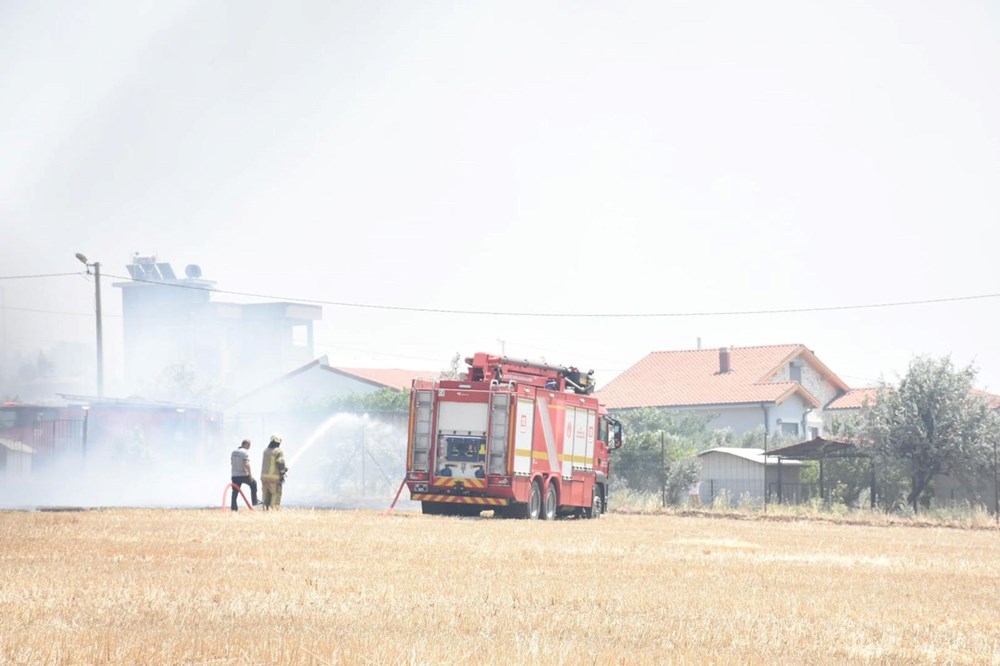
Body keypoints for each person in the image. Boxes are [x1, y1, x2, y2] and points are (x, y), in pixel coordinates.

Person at [230, 439, 260, 511]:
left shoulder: (233, 452)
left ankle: (234, 509)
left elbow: (231, 463)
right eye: (249, 446)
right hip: (243, 475)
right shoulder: (245, 452)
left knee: (235, 492)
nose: (249, 448)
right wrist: (250, 475)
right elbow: (247, 464)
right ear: (246, 444)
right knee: (253, 483)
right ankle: (254, 501)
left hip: (234, 475)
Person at [260, 433, 288, 510]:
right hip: (274, 478)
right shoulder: (278, 451)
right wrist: (283, 473)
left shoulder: (265, 450)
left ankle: (265, 510)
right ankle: (274, 511)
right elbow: (281, 464)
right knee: (275, 494)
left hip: (264, 477)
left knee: (265, 495)